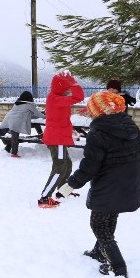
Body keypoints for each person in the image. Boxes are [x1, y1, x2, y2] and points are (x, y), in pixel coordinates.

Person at [57, 91, 140, 278]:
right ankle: (98, 251)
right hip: (129, 184)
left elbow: (89, 167)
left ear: (97, 111)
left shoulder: (97, 133)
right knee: (109, 218)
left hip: (108, 186)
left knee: (98, 224)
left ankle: (118, 268)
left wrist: (70, 185)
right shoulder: (129, 125)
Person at [38, 70, 85, 208]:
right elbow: (79, 96)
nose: (68, 91)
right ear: (61, 88)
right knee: (59, 167)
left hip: (59, 136)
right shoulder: (55, 98)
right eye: (66, 89)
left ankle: (62, 190)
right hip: (56, 138)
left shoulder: (57, 98)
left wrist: (72, 129)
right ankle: (44, 198)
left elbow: (61, 118)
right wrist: (73, 82)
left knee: (67, 164)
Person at [0, 91, 44, 158]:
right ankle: (14, 154)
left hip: (8, 118)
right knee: (15, 137)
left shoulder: (17, 103)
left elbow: (28, 114)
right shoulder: (29, 105)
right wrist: (47, 115)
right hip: (16, 122)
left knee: (2, 132)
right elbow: (38, 114)